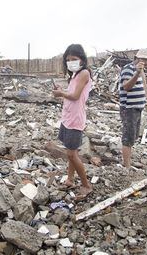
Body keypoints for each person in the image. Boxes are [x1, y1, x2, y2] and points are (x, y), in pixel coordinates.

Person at [52, 44, 93, 200]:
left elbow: (75, 96)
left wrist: (61, 93)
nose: (70, 62)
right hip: (68, 118)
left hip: (75, 120)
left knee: (71, 154)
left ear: (82, 59)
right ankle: (70, 180)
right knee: (71, 153)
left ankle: (86, 185)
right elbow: (72, 93)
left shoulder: (83, 73)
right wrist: (62, 90)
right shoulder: (75, 75)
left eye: (74, 59)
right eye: (68, 60)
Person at [119, 48, 147, 168]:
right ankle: (127, 166)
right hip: (129, 108)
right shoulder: (128, 69)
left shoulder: (140, 70)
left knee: (133, 136)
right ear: (139, 58)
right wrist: (137, 73)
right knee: (128, 137)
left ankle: (128, 162)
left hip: (137, 108)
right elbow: (126, 86)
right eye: (146, 60)